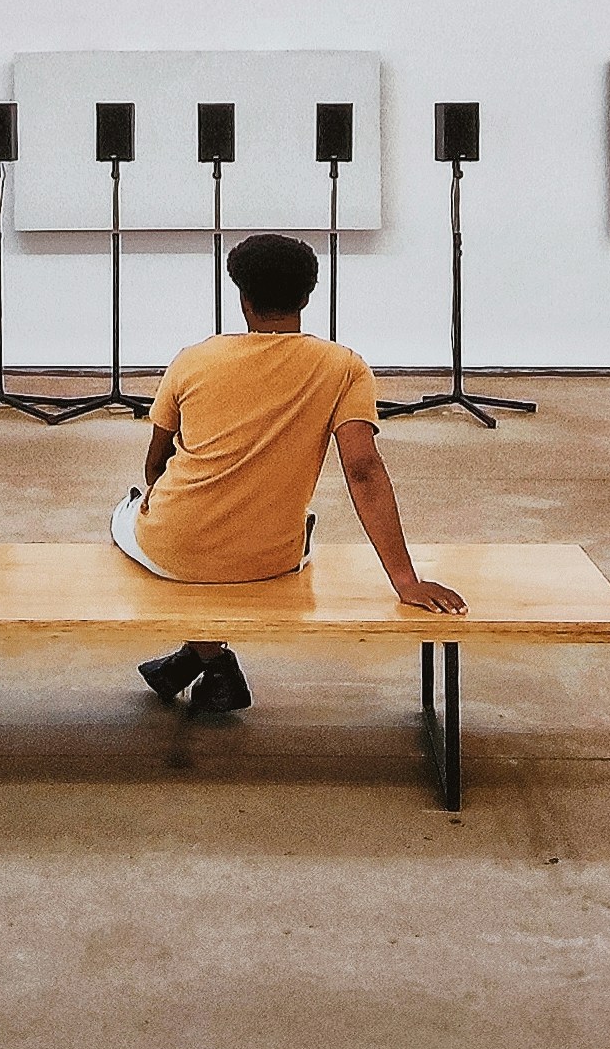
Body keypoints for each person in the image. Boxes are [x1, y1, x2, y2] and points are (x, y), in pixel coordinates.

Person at [112, 228, 463, 714]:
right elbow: (363, 470)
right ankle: (199, 662)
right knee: (289, 530)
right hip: (271, 557)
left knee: (126, 509)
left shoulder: (193, 359)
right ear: (306, 297)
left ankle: (209, 660)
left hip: (172, 549)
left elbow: (155, 465)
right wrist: (406, 581)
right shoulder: (344, 367)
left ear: (242, 298)